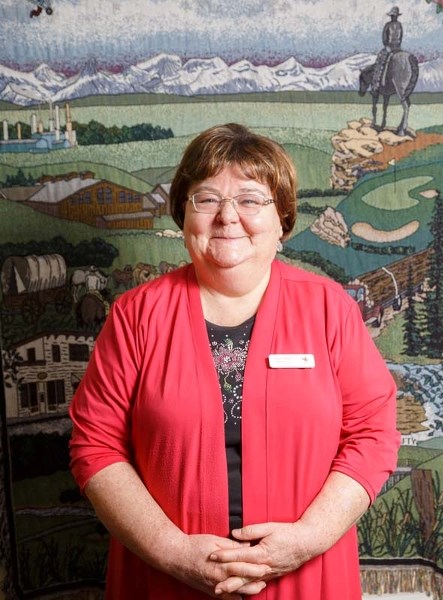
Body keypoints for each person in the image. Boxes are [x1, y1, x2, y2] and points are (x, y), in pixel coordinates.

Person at [69, 123, 400, 599]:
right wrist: (171, 550)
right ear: (184, 214)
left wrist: (307, 539)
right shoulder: (135, 316)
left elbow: (373, 434)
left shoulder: (330, 310)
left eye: (250, 199)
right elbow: (96, 446)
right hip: (164, 581)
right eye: (206, 199)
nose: (227, 217)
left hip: (305, 579)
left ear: (282, 220)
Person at [372, 6, 403, 92]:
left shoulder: (388, 25)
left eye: (394, 15)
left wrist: (388, 46)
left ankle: (376, 84)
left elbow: (384, 38)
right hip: (396, 47)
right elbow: (400, 37)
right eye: (393, 16)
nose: (393, 17)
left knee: (380, 61)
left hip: (392, 47)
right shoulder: (399, 25)